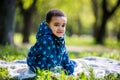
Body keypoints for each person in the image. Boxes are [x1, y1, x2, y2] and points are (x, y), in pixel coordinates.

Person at [27, 9, 77, 75]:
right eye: (56, 25)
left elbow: (64, 53)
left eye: (63, 25)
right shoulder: (46, 39)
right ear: (48, 25)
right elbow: (42, 58)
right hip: (39, 63)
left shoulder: (60, 38)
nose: (60, 28)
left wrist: (68, 68)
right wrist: (45, 72)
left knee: (72, 64)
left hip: (53, 60)